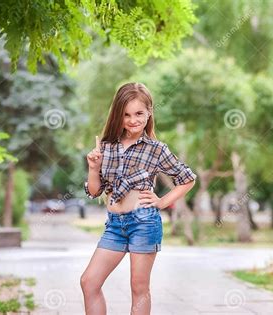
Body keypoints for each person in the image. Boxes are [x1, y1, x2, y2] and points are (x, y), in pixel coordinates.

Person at [80, 82, 197, 315]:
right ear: (117, 115)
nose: (132, 120)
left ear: (149, 112)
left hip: (144, 222)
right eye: (126, 115)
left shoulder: (156, 149)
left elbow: (188, 178)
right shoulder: (107, 146)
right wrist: (93, 168)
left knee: (138, 289)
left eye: (139, 114)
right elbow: (94, 191)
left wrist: (161, 202)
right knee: (89, 282)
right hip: (114, 225)